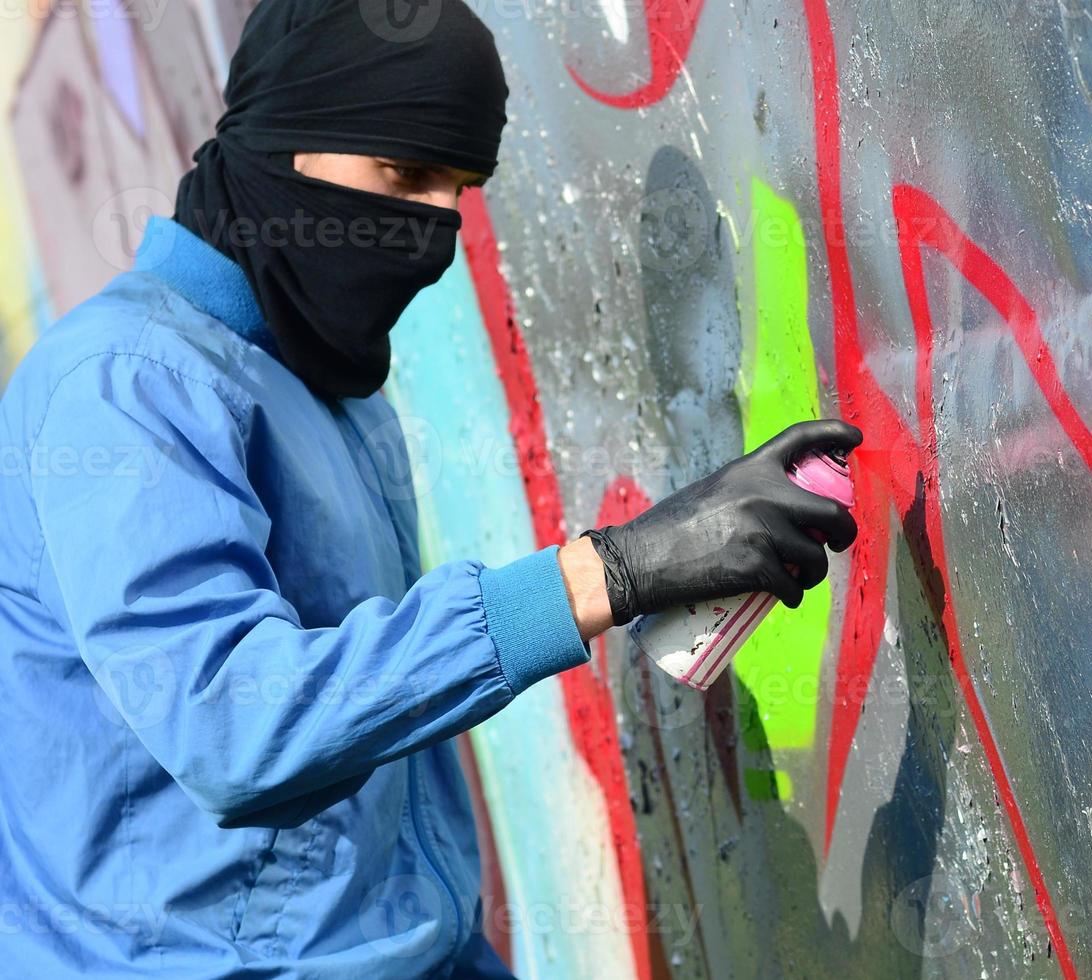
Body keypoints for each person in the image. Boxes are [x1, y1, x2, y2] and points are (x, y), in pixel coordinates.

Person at [0, 0, 860, 975]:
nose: (431, 228)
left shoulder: (328, 386)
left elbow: (369, 755)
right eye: (402, 175)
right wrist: (607, 572)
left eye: (458, 190)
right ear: (286, 137)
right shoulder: (127, 381)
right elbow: (231, 726)